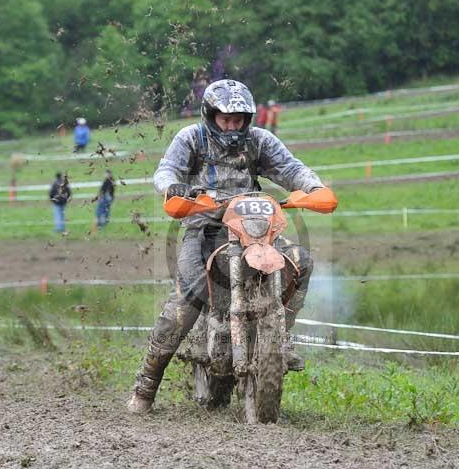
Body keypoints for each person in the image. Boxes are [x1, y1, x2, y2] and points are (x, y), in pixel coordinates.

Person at [128, 78, 326, 415]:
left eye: (238, 119)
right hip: (205, 229)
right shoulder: (191, 138)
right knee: (187, 297)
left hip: (255, 229)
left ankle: (280, 337)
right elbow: (166, 170)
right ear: (211, 115)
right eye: (226, 119)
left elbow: (290, 168)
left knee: (301, 261)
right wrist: (175, 187)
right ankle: (146, 385)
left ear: (247, 118)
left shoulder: (259, 140)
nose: (232, 126)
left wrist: (313, 186)